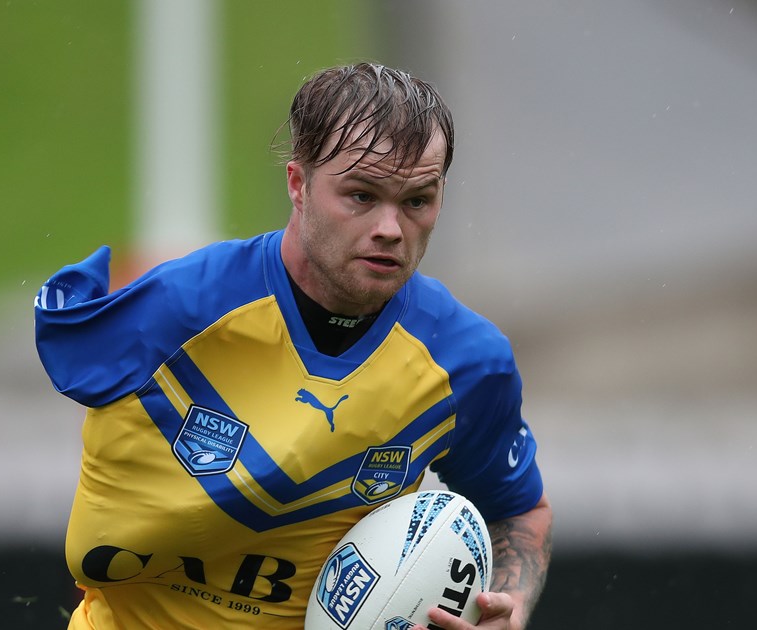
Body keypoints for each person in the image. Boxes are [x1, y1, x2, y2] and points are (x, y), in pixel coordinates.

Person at [34, 62, 552, 630]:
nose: (390, 228)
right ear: (298, 185)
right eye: (361, 195)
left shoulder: (465, 362)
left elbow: (518, 510)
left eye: (416, 201)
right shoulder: (177, 309)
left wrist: (510, 604)